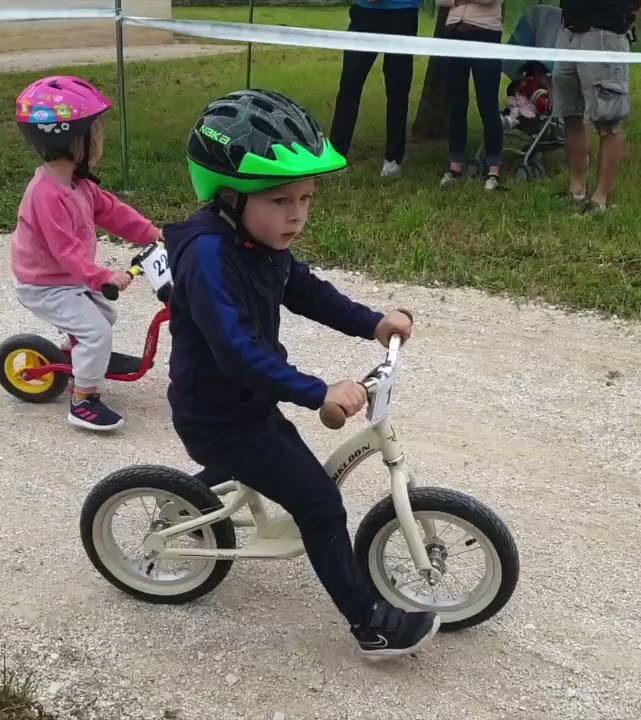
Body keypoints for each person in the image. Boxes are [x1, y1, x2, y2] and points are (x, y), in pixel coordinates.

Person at [162, 88, 442, 660]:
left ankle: (198, 499)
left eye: (307, 198)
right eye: (281, 200)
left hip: (244, 402)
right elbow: (237, 352)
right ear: (230, 197)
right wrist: (318, 391)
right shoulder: (210, 257)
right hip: (219, 412)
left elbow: (306, 291)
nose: (297, 215)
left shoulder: (258, 240)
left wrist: (374, 323)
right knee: (318, 503)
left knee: (275, 463)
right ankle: (370, 624)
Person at [9, 75, 163, 432]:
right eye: (95, 132)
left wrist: (152, 233)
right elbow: (64, 252)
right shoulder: (47, 194)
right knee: (96, 331)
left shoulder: (77, 183)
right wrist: (103, 276)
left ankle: (78, 353)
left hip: (66, 279)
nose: (100, 140)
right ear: (70, 138)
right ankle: (84, 400)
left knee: (105, 315)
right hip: (45, 285)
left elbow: (112, 211)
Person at [553, 0, 641, 212]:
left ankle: (600, 198)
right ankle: (577, 189)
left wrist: (628, 13)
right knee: (571, 113)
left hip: (605, 35)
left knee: (609, 120)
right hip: (568, 31)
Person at [328, 0, 422, 178]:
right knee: (350, 83)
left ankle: (393, 159)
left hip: (402, 11)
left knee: (398, 87)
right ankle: (336, 155)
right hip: (365, 11)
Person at [438, 0, 507, 191]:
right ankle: (455, 166)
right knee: (456, 101)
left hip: (486, 32)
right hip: (453, 31)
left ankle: (494, 170)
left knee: (488, 102)